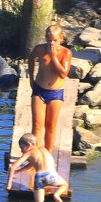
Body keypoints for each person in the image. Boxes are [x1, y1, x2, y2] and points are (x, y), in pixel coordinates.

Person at [27, 24, 73, 152]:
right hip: (39, 90)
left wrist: (53, 56)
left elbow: (63, 74)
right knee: (37, 125)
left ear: (61, 39)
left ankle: (48, 155)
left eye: (55, 40)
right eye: (49, 40)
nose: (51, 43)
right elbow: (31, 60)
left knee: (51, 126)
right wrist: (31, 78)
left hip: (55, 93)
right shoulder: (39, 49)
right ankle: (34, 155)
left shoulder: (66, 52)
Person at [7, 132, 68, 202]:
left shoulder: (28, 153)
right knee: (64, 185)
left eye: (22, 148)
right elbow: (32, 164)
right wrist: (18, 171)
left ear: (29, 145)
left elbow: (12, 167)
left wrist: (9, 184)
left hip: (39, 177)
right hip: (51, 175)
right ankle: (56, 195)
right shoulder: (43, 149)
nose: (21, 151)